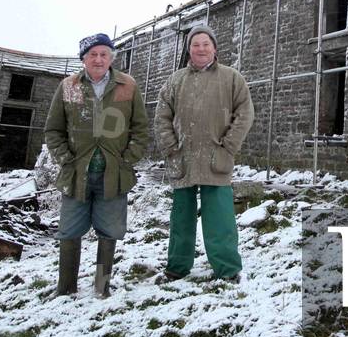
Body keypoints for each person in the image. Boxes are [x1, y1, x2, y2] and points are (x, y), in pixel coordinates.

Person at [45, 33, 148, 297]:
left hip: (113, 173)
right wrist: (65, 158)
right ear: (83, 60)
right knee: (69, 230)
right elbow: (53, 129)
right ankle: (65, 287)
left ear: (112, 57)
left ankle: (102, 286)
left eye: (104, 54)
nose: (99, 59)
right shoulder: (68, 86)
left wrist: (128, 158)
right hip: (77, 171)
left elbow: (140, 129)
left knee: (109, 230)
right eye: (93, 54)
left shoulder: (128, 85)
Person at [155, 25, 254, 282]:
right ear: (189, 49)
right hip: (183, 157)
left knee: (219, 218)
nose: (201, 48)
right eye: (195, 44)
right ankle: (177, 266)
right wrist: (170, 147)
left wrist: (228, 146)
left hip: (216, 157)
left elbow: (245, 114)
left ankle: (227, 269)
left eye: (205, 44)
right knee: (181, 218)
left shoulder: (231, 78)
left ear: (214, 47)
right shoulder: (176, 80)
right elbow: (162, 116)